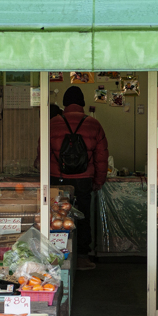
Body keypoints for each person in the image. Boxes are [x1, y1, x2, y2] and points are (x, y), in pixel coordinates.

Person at [50, 86, 108, 270]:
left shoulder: (52, 123)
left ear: (65, 103)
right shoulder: (94, 124)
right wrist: (98, 181)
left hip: (58, 178)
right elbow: (101, 157)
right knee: (82, 217)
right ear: (82, 103)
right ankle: (82, 257)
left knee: (58, 217)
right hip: (84, 179)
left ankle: (56, 255)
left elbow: (42, 153)